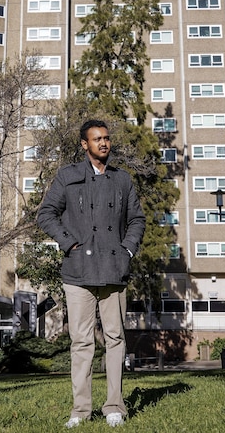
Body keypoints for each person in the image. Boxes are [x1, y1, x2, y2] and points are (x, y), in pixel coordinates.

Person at [37, 120, 146, 428]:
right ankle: (80, 410)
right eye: (97, 139)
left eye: (106, 138)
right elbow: (45, 213)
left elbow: (136, 219)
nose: (104, 143)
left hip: (114, 269)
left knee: (115, 339)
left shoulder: (122, 180)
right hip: (78, 271)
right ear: (84, 144)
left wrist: (126, 250)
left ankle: (114, 406)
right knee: (81, 342)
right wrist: (68, 242)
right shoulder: (68, 176)